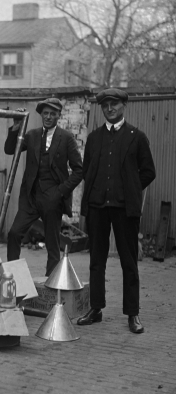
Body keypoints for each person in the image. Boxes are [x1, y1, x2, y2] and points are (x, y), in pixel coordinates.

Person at [77, 88, 156, 334]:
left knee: (129, 262)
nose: (110, 108)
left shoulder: (137, 137)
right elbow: (88, 171)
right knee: (96, 261)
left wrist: (131, 189)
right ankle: (96, 308)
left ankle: (133, 314)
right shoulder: (94, 138)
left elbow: (148, 171)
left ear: (123, 105)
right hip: (98, 207)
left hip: (124, 209)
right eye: (105, 105)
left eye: (114, 104)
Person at [5, 98, 83, 276]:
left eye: (52, 114)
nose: (48, 117)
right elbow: (10, 149)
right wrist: (16, 126)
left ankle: (51, 285)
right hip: (30, 197)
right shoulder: (32, 135)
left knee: (53, 244)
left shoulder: (66, 138)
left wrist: (60, 192)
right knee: (14, 233)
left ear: (58, 116)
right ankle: (13, 277)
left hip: (52, 198)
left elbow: (79, 171)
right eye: (45, 113)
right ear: (41, 115)